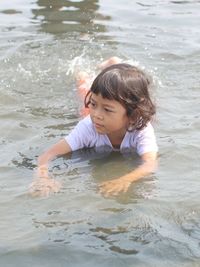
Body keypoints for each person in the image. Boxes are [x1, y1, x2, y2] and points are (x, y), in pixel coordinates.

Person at [30, 57, 158, 197]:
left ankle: (114, 65)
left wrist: (124, 180)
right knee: (84, 89)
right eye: (93, 104)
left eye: (107, 110)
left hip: (129, 107)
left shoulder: (142, 129)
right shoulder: (88, 126)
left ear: (132, 116)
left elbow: (150, 164)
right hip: (85, 113)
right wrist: (42, 177)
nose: (97, 115)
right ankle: (83, 74)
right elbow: (48, 155)